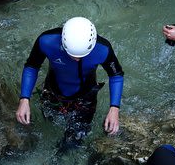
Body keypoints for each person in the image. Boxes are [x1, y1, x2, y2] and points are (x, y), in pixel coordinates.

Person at [15, 17, 124, 147]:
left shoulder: (102, 49)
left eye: (81, 56)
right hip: (53, 90)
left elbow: (116, 75)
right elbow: (32, 66)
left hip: (85, 96)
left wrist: (114, 108)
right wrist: (24, 99)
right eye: (72, 55)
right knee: (45, 125)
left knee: (73, 142)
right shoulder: (47, 41)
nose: (77, 59)